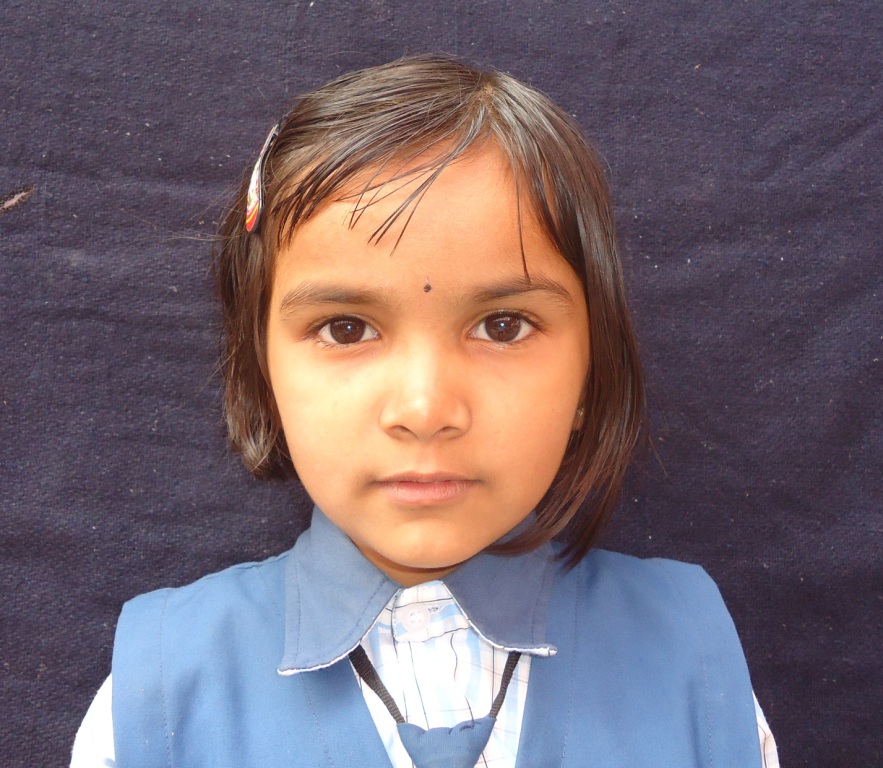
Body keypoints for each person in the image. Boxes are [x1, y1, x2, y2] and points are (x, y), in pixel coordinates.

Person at [71, 55, 778, 767]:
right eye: (346, 328)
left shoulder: (696, 662)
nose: (424, 409)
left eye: (503, 326)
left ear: (592, 373)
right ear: (262, 372)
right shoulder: (158, 698)